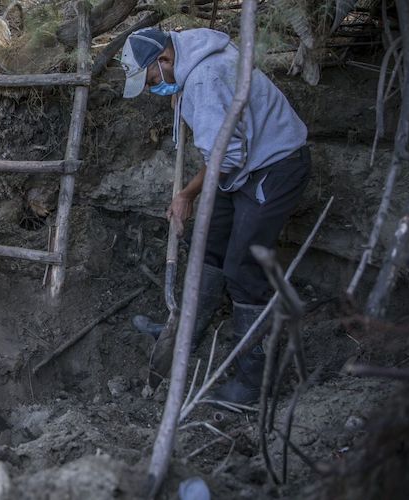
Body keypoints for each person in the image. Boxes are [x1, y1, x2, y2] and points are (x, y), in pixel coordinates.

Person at [120, 28, 310, 404]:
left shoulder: (205, 78)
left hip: (273, 166)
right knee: (207, 241)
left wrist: (187, 194)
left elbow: (226, 157)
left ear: (165, 59)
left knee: (244, 269)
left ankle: (254, 383)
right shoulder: (192, 65)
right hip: (243, 166)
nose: (152, 89)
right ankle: (183, 333)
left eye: (154, 80)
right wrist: (179, 92)